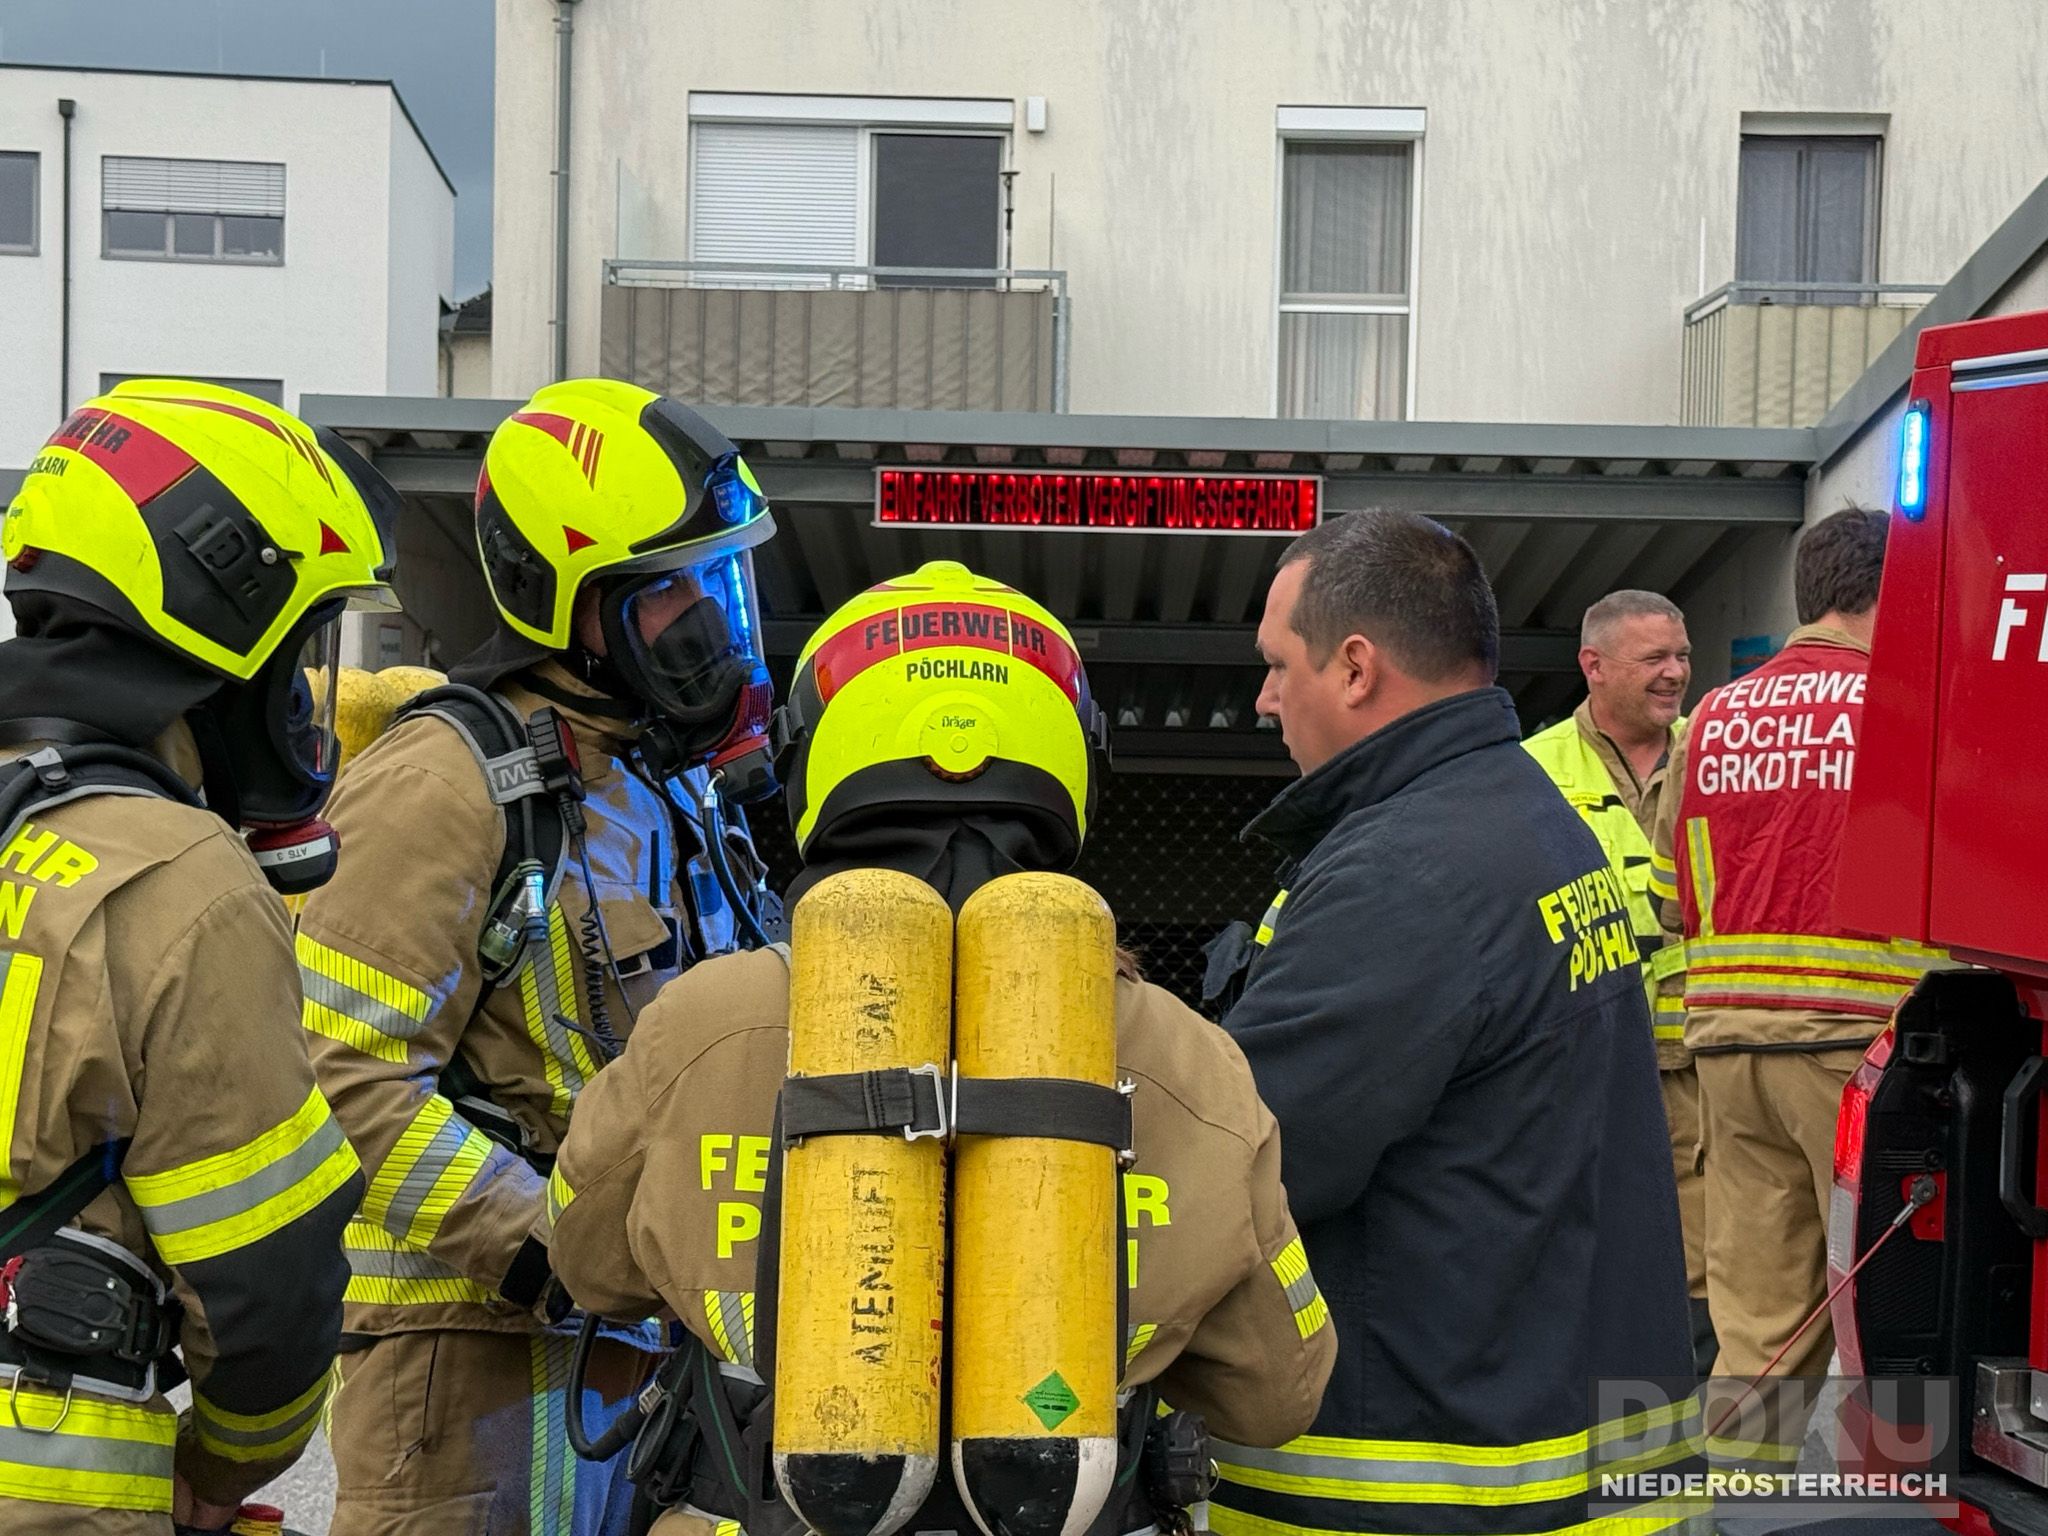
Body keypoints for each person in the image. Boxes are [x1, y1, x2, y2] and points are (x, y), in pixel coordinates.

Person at [543, 560, 1337, 1536]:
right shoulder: (1192, 1063)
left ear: (811, 765)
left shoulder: (703, 1024)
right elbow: (1278, 1392)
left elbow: (587, 1261)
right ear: (1073, 765)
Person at [298, 379, 782, 1535]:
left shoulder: (667, 795)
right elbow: (335, 1075)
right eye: (672, 589)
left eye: (721, 578)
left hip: (638, 1372)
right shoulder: (443, 782)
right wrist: (555, 1249)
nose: (713, 618)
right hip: (462, 1380)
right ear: (572, 605)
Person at [1217, 511, 1698, 1536]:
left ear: (1353, 668)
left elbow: (1243, 1169)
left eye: (1274, 665)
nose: (1263, 699)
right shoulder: (1529, 816)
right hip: (1555, 1444)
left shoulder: (1405, 875)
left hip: (1423, 1475)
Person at [0, 382, 399, 1533]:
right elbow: (268, 1284)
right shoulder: (180, 880)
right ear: (226, 630)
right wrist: (223, 1466)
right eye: (301, 649)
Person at [1650, 508, 1948, 1469]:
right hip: (1860, 1054)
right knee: (1899, 1305)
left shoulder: (1710, 719)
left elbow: (1668, 896)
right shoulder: (1905, 708)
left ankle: (1740, 1504)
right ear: (1890, 593)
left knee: (1759, 1329)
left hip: (1728, 1055)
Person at [1523, 590, 1712, 1370]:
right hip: (1587, 1072)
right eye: (1655, 660)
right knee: (1595, 1267)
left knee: (1712, 1274)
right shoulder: (1530, 772)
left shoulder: (1718, 751)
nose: (1675, 675)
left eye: (1684, 656)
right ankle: (1608, 1460)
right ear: (1593, 667)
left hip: (1707, 1071)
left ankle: (1712, 1469)